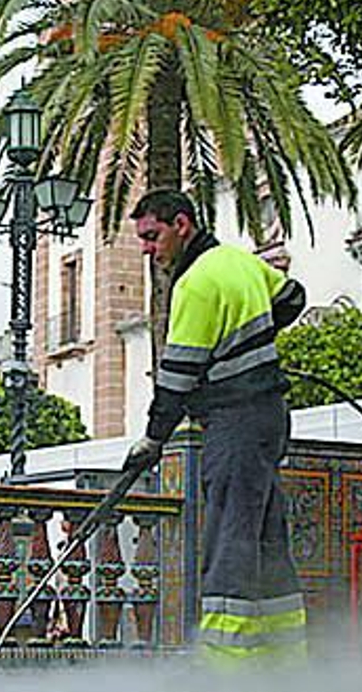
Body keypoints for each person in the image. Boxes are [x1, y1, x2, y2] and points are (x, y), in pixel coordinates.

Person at [122, 189, 308, 663]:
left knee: (230, 533)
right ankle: (285, 657)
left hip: (234, 422)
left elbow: (177, 376)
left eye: (152, 236)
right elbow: (294, 298)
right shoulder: (240, 262)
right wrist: (253, 343)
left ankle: (227, 659)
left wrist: (153, 439)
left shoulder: (196, 284)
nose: (147, 249)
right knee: (266, 534)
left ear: (181, 225)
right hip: (270, 416)